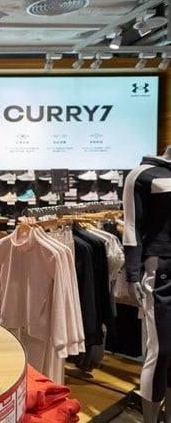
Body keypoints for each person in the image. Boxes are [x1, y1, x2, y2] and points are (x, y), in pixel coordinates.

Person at [123, 145, 171, 423]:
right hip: (160, 270)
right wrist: (132, 273)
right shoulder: (142, 174)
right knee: (161, 349)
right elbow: (131, 226)